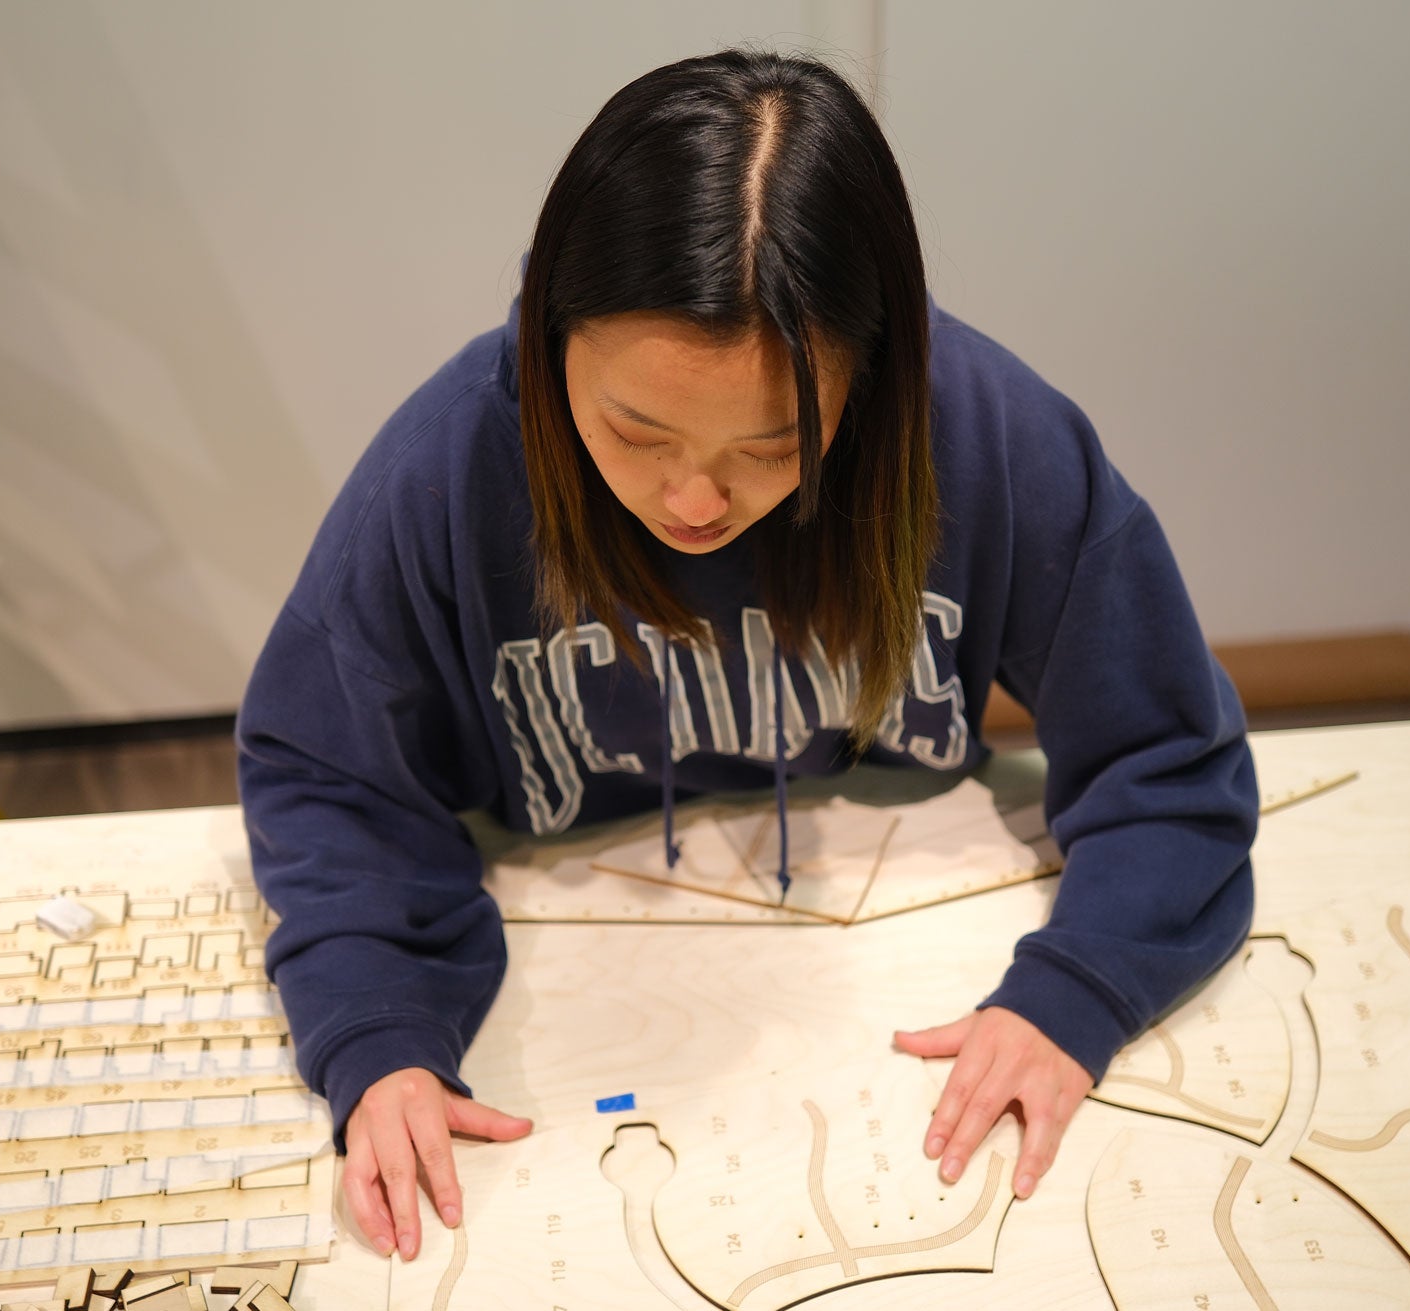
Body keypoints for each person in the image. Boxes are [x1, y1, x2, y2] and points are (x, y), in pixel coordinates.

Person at [238, 48, 1257, 1264]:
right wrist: (378, 1026)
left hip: (895, 938)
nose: (692, 500)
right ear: (548, 338)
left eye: (778, 446)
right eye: (632, 427)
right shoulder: (447, 465)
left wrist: (1083, 986)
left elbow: (1171, 763)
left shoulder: (989, 437)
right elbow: (325, 775)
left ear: (869, 384)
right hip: (576, 1005)